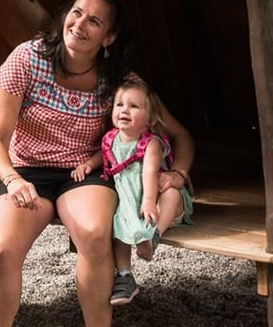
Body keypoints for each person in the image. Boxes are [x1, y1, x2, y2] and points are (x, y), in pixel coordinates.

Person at [0, 0, 127, 327]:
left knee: (97, 234)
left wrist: (174, 171)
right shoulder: (28, 59)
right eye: (76, 15)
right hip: (25, 170)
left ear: (109, 38)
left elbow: (148, 127)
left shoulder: (115, 75)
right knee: (3, 249)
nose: (80, 25)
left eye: (94, 22)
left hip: (82, 173)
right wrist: (12, 179)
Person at [74, 72, 195, 307]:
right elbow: (104, 154)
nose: (124, 110)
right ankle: (125, 275)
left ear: (150, 120)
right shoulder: (111, 138)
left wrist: (149, 201)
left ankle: (154, 236)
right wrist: (88, 164)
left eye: (134, 106)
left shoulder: (150, 143)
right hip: (130, 201)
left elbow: (149, 173)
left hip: (157, 200)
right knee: (118, 226)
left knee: (170, 194)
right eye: (119, 105)